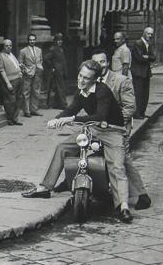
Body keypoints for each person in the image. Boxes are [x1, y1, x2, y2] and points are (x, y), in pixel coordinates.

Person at [21, 60, 133, 223]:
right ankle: (44, 188)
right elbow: (71, 108)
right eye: (80, 76)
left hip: (112, 131)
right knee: (62, 147)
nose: (81, 80)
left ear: (94, 80)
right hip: (92, 129)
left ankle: (123, 206)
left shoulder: (102, 90)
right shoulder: (81, 92)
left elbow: (100, 115)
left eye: (86, 78)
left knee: (117, 166)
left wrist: (70, 119)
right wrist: (56, 119)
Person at [91, 50, 151, 210]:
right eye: (96, 63)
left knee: (122, 160)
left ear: (108, 63)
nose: (100, 66)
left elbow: (130, 107)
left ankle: (142, 196)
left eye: (103, 62)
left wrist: (112, 122)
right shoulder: (92, 80)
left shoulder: (121, 80)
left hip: (118, 127)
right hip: (100, 127)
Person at [130, 27, 156, 119]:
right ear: (144, 33)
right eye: (149, 34)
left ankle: (142, 112)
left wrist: (147, 57)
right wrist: (149, 57)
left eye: (152, 34)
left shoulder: (149, 44)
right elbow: (139, 58)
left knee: (145, 94)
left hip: (145, 73)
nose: (150, 36)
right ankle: (137, 114)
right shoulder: (138, 43)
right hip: (138, 72)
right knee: (138, 94)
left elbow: (154, 57)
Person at [0, 39, 23, 126]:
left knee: (19, 99)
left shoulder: (11, 54)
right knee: (10, 101)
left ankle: (15, 118)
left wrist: (20, 67)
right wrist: (8, 83)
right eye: (6, 45)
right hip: (10, 80)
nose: (9, 47)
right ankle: (9, 119)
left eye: (10, 45)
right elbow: (1, 70)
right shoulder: (1, 55)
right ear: (3, 46)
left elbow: (16, 64)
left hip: (18, 79)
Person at [19, 33, 44, 117]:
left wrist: (40, 68)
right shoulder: (23, 51)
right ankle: (27, 111)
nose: (32, 41)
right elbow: (20, 63)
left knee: (36, 91)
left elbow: (41, 60)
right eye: (30, 40)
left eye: (33, 40)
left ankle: (34, 109)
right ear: (28, 41)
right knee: (26, 92)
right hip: (28, 73)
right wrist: (25, 71)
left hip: (37, 73)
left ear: (35, 40)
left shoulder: (39, 50)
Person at [44, 33, 68, 109]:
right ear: (55, 41)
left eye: (61, 40)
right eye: (58, 40)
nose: (60, 41)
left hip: (62, 71)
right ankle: (63, 104)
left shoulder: (61, 49)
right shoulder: (53, 49)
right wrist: (52, 67)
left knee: (59, 88)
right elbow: (46, 58)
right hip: (57, 71)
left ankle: (56, 104)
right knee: (61, 88)